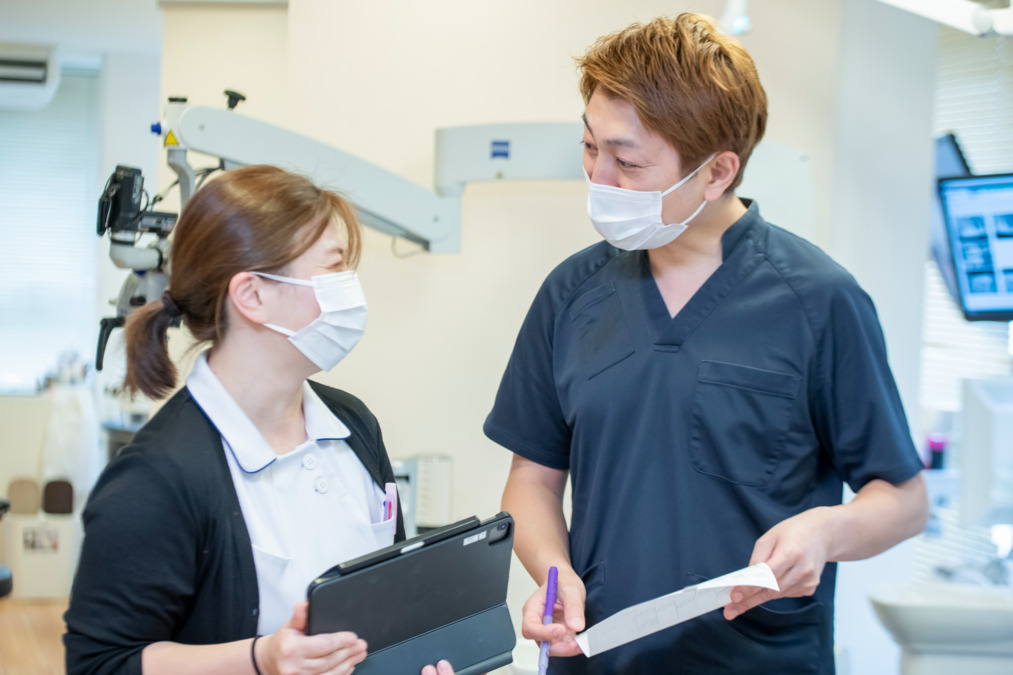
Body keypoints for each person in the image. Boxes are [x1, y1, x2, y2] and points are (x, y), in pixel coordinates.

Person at [485, 13, 929, 674]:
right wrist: (553, 576)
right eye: (589, 147)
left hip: (759, 658)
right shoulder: (570, 294)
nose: (598, 178)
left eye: (627, 161)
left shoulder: (818, 301)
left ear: (718, 171)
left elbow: (903, 498)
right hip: (598, 658)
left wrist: (823, 529)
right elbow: (532, 479)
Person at [64, 165, 455, 675]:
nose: (350, 292)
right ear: (251, 295)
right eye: (333, 269)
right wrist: (258, 659)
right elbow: (100, 664)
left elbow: (390, 605)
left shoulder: (353, 425)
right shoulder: (157, 478)